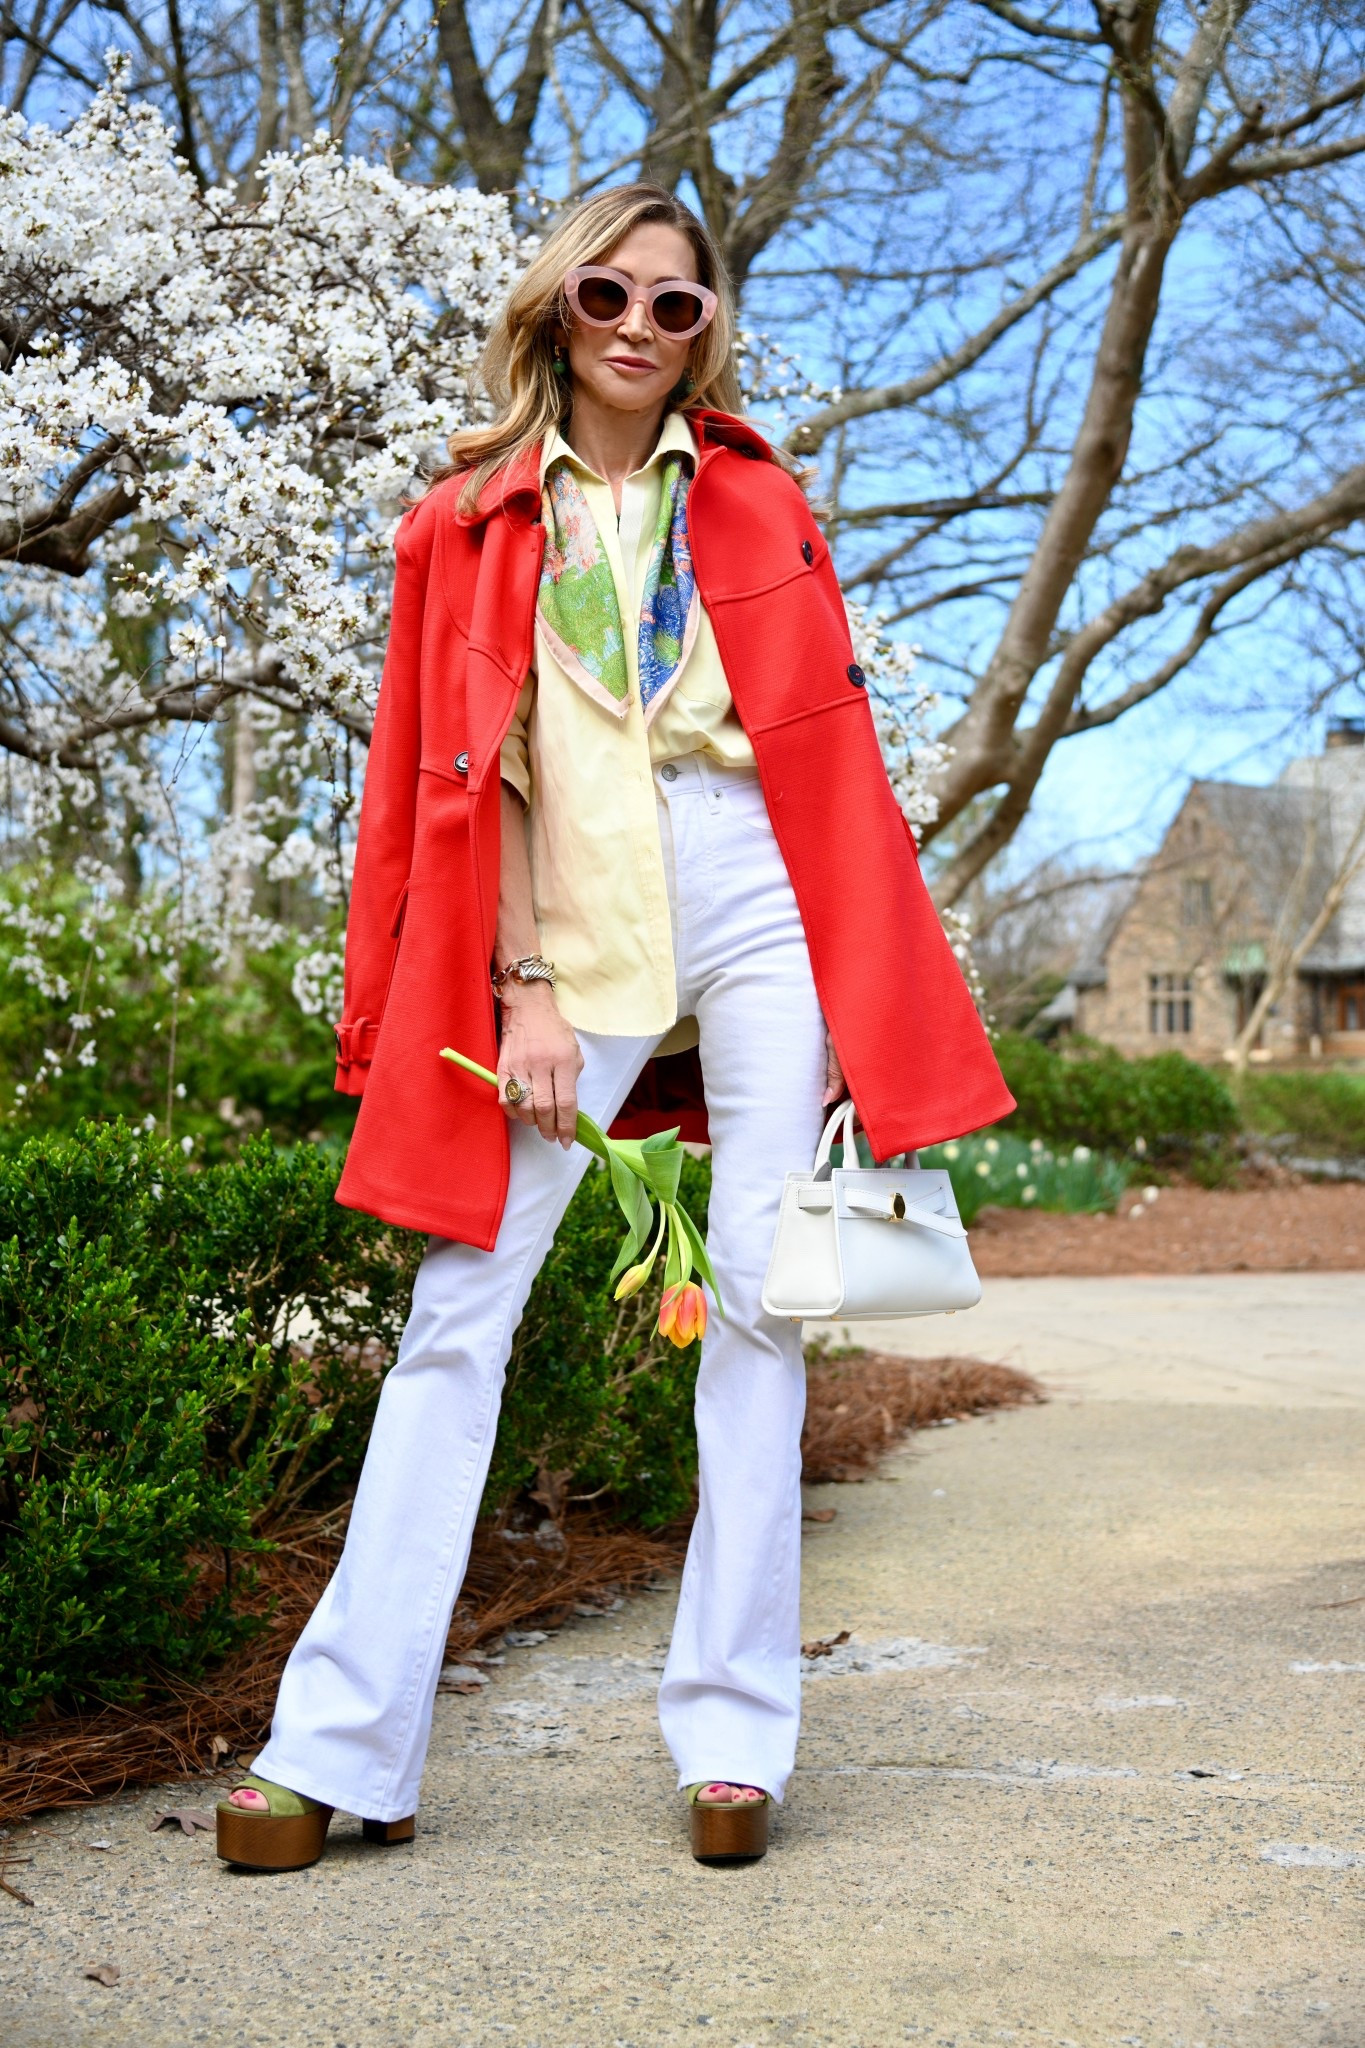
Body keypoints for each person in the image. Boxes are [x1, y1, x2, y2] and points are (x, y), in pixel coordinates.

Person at [215, 182, 1013, 1875]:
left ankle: (734, 1739)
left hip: (752, 889)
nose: (643, 329)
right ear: (553, 311)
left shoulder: (758, 500)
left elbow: (824, 753)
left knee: (754, 1302)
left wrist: (859, 1005)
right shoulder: (468, 519)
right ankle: (341, 1742)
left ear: (708, 329)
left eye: (678, 306)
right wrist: (517, 986)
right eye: (609, 295)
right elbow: (458, 772)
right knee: (456, 1314)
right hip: (561, 907)